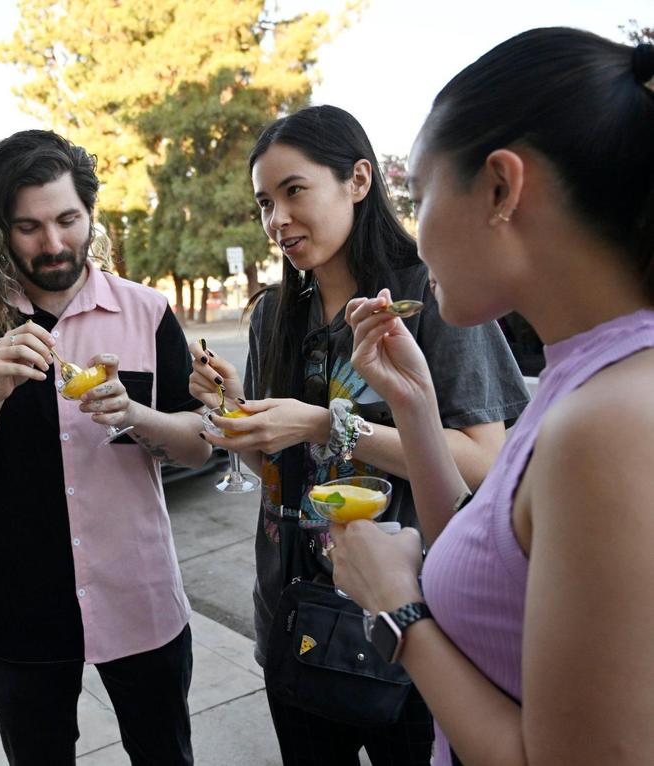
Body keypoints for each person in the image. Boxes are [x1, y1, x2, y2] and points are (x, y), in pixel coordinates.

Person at [331, 28, 654, 766]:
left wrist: (396, 613)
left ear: (502, 188)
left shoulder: (609, 421)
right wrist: (415, 404)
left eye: (418, 196)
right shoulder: (588, 375)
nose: (416, 239)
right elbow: (494, 568)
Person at [189, 105, 529, 765]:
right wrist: (236, 415)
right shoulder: (273, 315)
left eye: (294, 191)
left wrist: (325, 423)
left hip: (415, 622)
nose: (277, 219)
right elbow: (280, 475)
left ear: (359, 180)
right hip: (295, 616)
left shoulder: (425, 298)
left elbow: (486, 464)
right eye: (264, 203)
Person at [0, 129, 210, 765]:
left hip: (138, 594)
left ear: (91, 213)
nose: (52, 244)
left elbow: (199, 448)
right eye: (28, 227)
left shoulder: (147, 311)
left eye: (67, 220)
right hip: (21, 607)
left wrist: (136, 415)